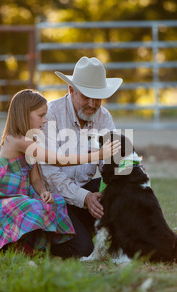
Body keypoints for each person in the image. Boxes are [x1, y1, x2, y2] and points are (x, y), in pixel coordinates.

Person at [0, 89, 119, 256]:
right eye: (41, 116)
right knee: (32, 207)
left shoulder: (32, 141)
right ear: (24, 115)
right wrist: (97, 154)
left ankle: (25, 244)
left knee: (52, 202)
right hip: (2, 198)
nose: (45, 121)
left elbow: (36, 178)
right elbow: (57, 159)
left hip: (22, 196)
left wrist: (44, 192)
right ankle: (5, 243)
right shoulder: (17, 141)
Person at [39, 56, 123, 258]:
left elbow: (110, 164)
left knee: (122, 187)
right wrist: (84, 197)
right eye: (86, 96)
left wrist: (127, 170)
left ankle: (114, 236)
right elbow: (48, 173)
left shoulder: (104, 117)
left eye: (98, 97)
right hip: (52, 198)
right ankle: (44, 235)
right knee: (82, 250)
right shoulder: (50, 115)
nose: (92, 104)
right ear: (71, 90)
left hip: (83, 191)